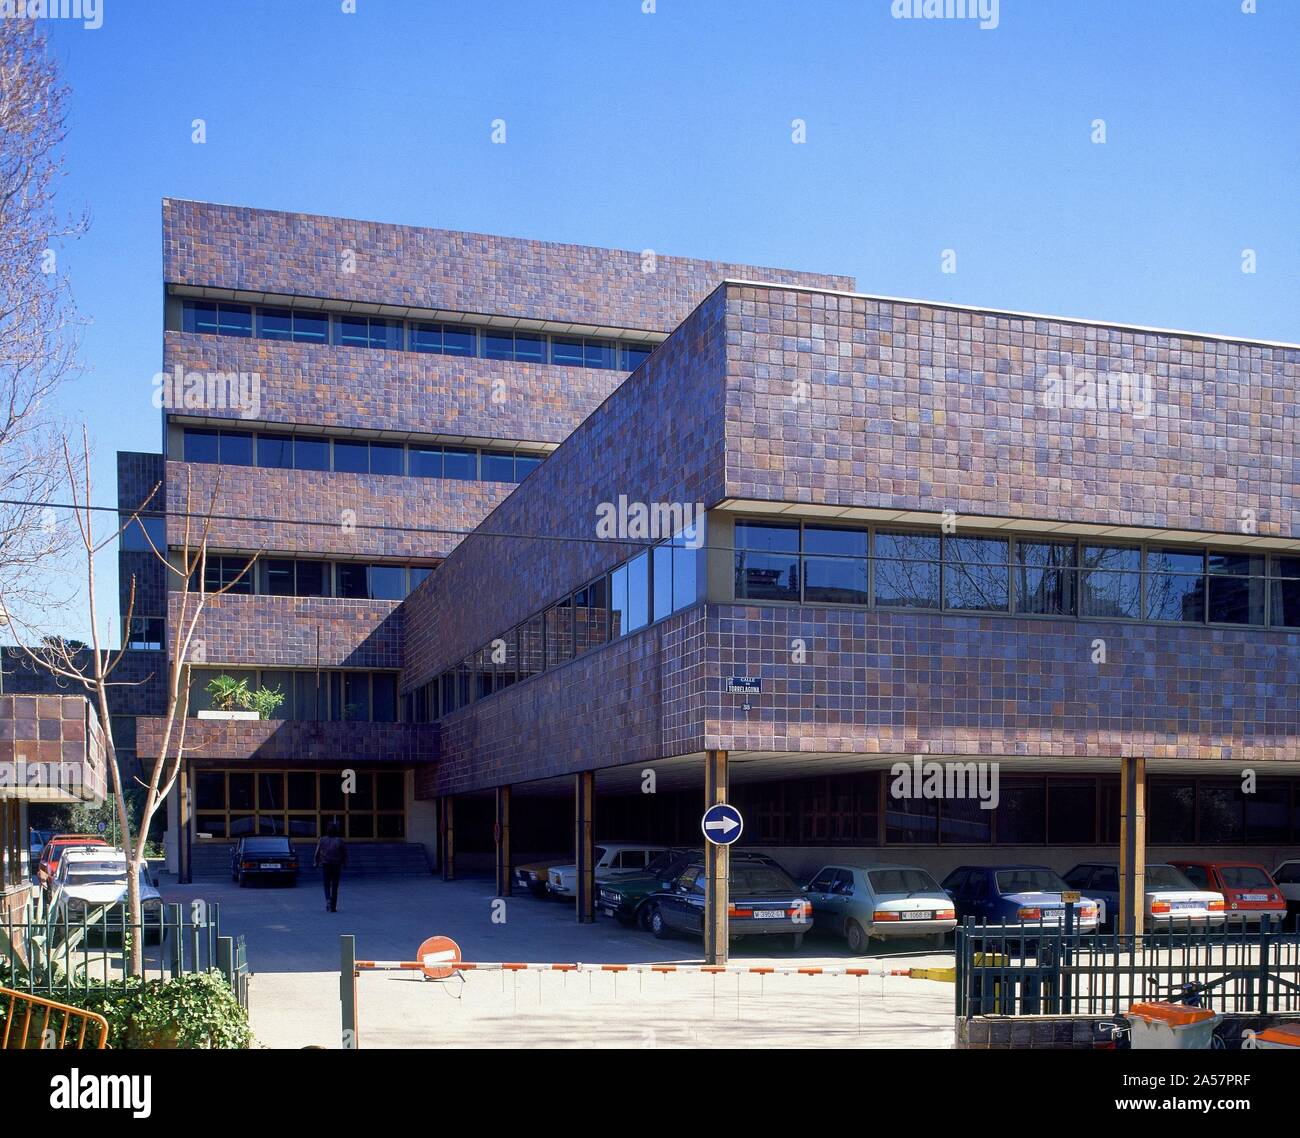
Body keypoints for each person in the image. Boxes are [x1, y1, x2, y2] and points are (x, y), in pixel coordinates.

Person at [314, 821, 347, 913]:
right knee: (335, 886)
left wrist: (316, 862)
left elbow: (317, 852)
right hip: (336, 865)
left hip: (326, 864)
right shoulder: (340, 841)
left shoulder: (322, 840)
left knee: (326, 884)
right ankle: (333, 907)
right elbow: (344, 853)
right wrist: (344, 863)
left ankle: (328, 900)